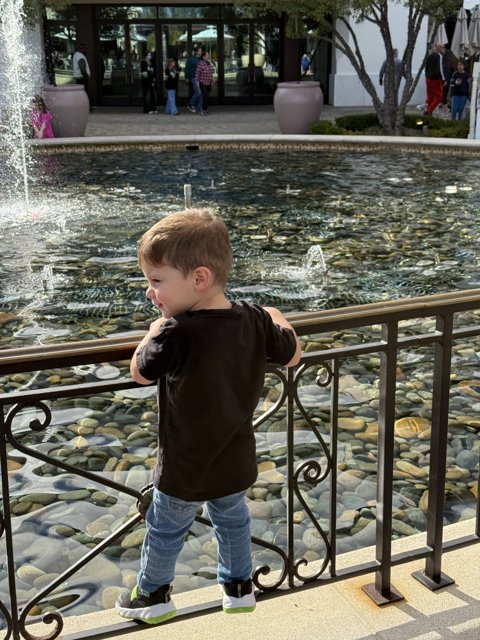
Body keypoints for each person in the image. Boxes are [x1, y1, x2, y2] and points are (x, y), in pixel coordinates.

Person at [115, 208, 301, 625]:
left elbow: (141, 373)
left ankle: (152, 595)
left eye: (156, 281)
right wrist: (274, 314)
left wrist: (152, 332)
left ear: (199, 279)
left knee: (165, 528)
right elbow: (292, 353)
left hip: (184, 464)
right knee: (232, 518)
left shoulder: (178, 331)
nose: (150, 293)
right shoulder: (252, 318)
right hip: (234, 455)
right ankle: (238, 588)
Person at [425, 43, 446, 115]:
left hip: (428, 78)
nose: (444, 49)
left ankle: (428, 113)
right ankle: (429, 111)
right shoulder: (439, 56)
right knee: (439, 96)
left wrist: (427, 76)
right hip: (435, 78)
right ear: (439, 48)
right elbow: (440, 69)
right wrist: (443, 79)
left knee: (430, 97)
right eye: (443, 47)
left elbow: (426, 66)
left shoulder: (430, 56)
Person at [185, 45, 203, 113]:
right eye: (200, 51)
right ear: (196, 52)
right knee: (198, 92)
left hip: (200, 78)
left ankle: (199, 107)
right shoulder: (191, 60)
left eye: (201, 51)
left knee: (200, 93)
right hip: (194, 78)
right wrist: (187, 77)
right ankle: (191, 104)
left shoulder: (201, 59)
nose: (201, 52)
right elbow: (187, 69)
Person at [195, 50, 214, 115]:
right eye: (207, 55)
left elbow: (210, 72)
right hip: (202, 82)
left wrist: (212, 80)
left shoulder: (208, 63)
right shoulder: (200, 63)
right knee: (205, 96)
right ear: (203, 56)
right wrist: (197, 83)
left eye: (208, 55)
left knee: (207, 96)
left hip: (208, 82)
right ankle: (203, 110)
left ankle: (206, 109)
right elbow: (197, 73)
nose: (208, 56)